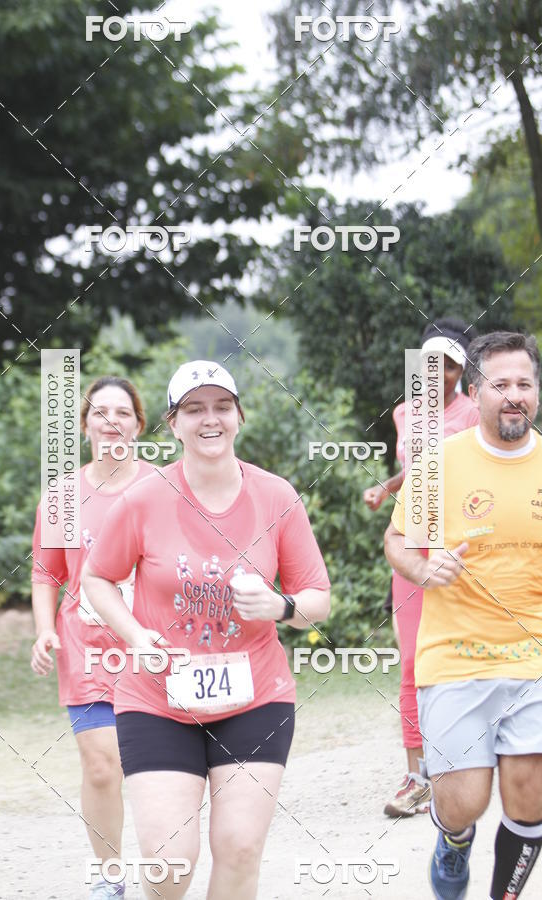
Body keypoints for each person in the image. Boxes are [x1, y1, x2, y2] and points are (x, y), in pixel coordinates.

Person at [80, 360, 331, 900]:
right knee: (170, 863)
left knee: (239, 846)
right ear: (173, 424)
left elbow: (318, 600)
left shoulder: (277, 498)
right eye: (194, 409)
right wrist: (135, 635)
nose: (209, 419)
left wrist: (280, 605)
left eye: (221, 407)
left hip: (255, 697)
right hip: (157, 701)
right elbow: (97, 578)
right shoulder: (143, 499)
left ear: (239, 416)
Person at [384, 331, 542, 899]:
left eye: (524, 383)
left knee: (530, 795)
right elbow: (398, 540)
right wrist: (424, 570)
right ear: (476, 393)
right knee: (462, 802)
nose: (514, 395)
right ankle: (453, 841)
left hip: (533, 659)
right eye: (501, 384)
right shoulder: (439, 464)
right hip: (455, 658)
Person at [31, 376, 154, 899]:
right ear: (84, 427)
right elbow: (45, 573)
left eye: (122, 413)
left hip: (151, 649)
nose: (111, 422)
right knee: (102, 765)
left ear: (139, 425)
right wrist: (42, 632)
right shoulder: (62, 496)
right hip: (84, 646)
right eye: (99, 413)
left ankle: (166, 867)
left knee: (151, 768)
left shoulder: (163, 486)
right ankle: (109, 879)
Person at [363, 318, 479, 818]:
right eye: (432, 363)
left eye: (451, 364)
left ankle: (492, 761)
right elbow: (416, 470)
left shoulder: (477, 413)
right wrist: (385, 489)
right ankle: (417, 776)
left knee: (478, 659)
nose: (440, 373)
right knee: (412, 663)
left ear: (462, 369)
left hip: (466, 551)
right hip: (413, 547)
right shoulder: (404, 413)